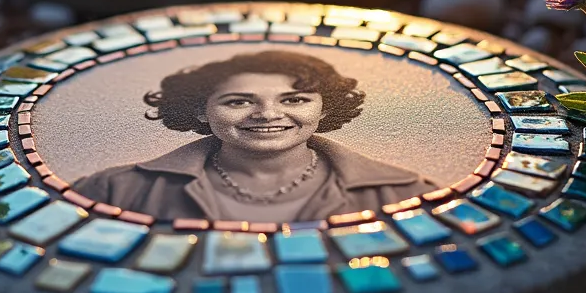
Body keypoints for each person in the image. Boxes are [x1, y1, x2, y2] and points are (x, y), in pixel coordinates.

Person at [73, 50, 436, 223]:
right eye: (239, 101)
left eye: (294, 99)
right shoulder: (113, 191)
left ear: (325, 108)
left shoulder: (406, 193)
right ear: (201, 110)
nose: (267, 114)